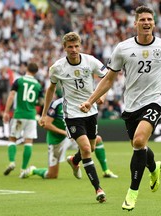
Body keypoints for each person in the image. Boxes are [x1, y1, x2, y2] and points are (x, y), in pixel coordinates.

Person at [79, 5, 161, 211]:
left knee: (138, 141)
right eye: (143, 20)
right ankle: (154, 169)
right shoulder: (123, 48)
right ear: (135, 23)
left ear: (154, 23)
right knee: (139, 145)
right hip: (131, 103)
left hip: (155, 99)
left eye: (150, 19)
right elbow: (109, 79)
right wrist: (91, 100)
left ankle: (132, 193)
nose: (146, 23)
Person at [38, 32, 108, 203]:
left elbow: (108, 77)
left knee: (90, 148)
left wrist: (102, 96)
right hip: (72, 114)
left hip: (90, 111)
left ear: (80, 46)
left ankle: (74, 160)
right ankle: (98, 189)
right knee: (85, 148)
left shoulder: (90, 61)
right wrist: (44, 113)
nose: (74, 50)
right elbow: (51, 90)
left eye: (76, 46)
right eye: (70, 47)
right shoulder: (57, 68)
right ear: (64, 48)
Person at [21, 97, 118, 179]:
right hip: (57, 140)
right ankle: (34, 170)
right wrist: (64, 132)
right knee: (52, 175)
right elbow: (47, 124)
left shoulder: (79, 102)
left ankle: (106, 171)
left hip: (73, 136)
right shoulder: (57, 104)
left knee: (97, 139)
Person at [3, 62, 44, 178]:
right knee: (28, 142)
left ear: (27, 69)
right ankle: (23, 168)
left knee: (12, 138)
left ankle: (11, 162)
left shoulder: (19, 81)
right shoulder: (38, 85)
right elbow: (41, 102)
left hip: (19, 114)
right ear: (36, 72)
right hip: (31, 116)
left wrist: (6, 111)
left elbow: (11, 95)